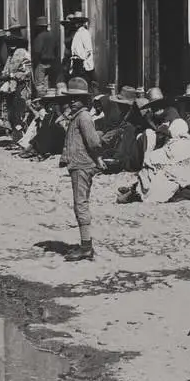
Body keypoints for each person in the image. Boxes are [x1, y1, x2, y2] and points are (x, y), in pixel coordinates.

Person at [57, 77, 105, 262]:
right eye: (70, 98)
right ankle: (86, 244)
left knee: (80, 204)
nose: (71, 101)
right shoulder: (78, 116)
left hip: (81, 165)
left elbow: (93, 142)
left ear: (85, 100)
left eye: (76, 99)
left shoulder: (83, 117)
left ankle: (86, 247)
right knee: (80, 203)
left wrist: (97, 156)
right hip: (79, 164)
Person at [30, 16, 60, 97]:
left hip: (41, 63)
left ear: (39, 27)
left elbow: (37, 51)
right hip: (51, 63)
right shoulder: (52, 36)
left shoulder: (39, 37)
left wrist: (34, 61)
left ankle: (41, 103)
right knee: (48, 86)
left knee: (40, 86)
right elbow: (56, 51)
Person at [66, 12, 96, 90]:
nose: (76, 23)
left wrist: (84, 61)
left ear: (81, 22)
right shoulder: (77, 33)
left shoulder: (84, 33)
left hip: (82, 63)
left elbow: (88, 50)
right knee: (77, 85)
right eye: (75, 21)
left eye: (78, 21)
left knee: (84, 83)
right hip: (76, 62)